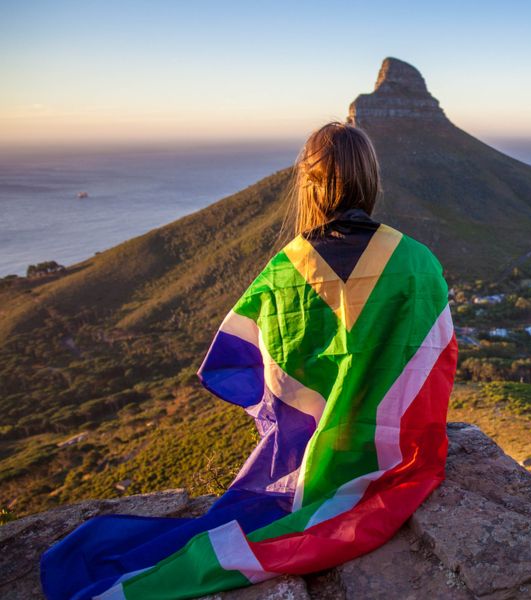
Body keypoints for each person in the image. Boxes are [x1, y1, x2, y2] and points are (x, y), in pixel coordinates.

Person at [41, 122, 457, 600]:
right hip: (392, 458)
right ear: (370, 180)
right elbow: (435, 363)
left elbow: (234, 362)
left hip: (301, 463)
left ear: (309, 184)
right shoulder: (418, 263)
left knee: (218, 531)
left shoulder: (286, 269)